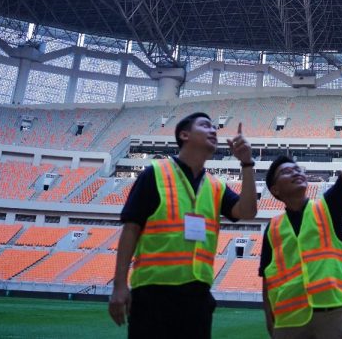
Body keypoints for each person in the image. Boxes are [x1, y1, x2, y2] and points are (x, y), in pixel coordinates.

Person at [109, 112, 258, 339]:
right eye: (205, 125)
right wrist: (119, 285)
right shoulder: (155, 174)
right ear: (184, 134)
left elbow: (247, 212)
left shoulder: (216, 186)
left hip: (198, 297)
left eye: (214, 128)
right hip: (153, 294)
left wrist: (246, 163)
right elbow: (131, 229)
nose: (213, 130)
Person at [260, 84, 342, 339]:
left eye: (298, 169)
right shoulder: (272, 230)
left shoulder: (328, 208)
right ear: (275, 190)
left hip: (332, 315)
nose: (296, 171)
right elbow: (266, 280)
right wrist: (269, 322)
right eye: (286, 171)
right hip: (288, 321)